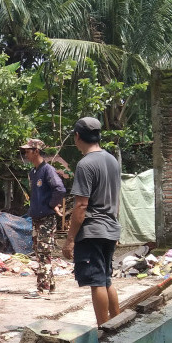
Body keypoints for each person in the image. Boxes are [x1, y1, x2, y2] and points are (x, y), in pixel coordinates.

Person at [62, 117, 121, 325]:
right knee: (106, 279)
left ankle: (104, 330)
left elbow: (81, 206)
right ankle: (117, 323)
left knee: (97, 282)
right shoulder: (112, 161)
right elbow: (117, 198)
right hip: (111, 228)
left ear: (77, 136)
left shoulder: (85, 165)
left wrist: (69, 239)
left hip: (93, 230)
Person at [21, 138, 66, 297]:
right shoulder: (33, 172)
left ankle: (42, 289)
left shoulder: (48, 170)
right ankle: (51, 286)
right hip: (36, 218)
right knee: (40, 253)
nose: (25, 153)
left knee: (43, 252)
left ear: (37, 151)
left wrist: (53, 204)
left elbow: (59, 189)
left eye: (28, 150)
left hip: (46, 218)